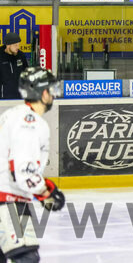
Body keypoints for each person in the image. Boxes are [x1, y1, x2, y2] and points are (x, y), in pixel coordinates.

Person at [0, 67, 65, 261]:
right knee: (25, 257)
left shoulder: (14, 115)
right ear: (43, 93)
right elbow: (23, 170)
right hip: (7, 202)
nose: (54, 94)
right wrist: (46, 192)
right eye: (52, 90)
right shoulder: (31, 122)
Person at [0, 33, 28, 99]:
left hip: (20, 97)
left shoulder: (21, 56)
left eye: (18, 44)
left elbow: (26, 74)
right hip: (3, 99)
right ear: (8, 45)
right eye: (15, 45)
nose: (18, 47)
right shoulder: (1, 57)